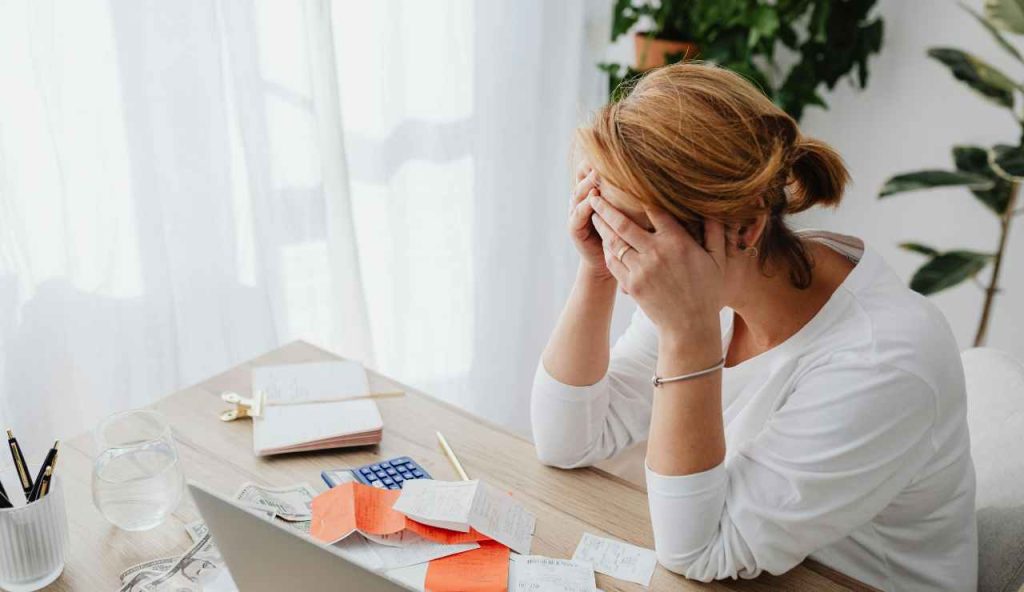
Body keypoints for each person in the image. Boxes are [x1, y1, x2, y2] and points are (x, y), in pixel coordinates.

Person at [531, 62, 977, 591]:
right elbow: (567, 442)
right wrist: (596, 270)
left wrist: (688, 334)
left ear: (743, 228)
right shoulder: (719, 276)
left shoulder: (885, 359)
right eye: (607, 224)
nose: (630, 259)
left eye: (636, 235)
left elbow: (698, 551)